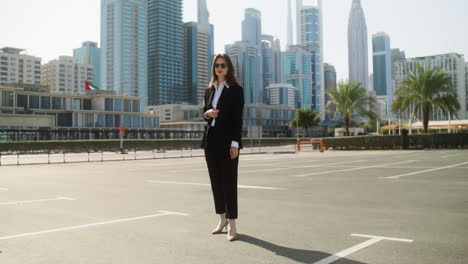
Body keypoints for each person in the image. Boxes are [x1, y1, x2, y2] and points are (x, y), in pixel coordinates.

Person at [201, 53, 244, 242]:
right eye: (217, 65)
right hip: (210, 141)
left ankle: (232, 224)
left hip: (228, 143)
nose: (219, 68)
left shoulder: (236, 90)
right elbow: (204, 113)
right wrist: (208, 113)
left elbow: (237, 119)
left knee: (229, 183)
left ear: (229, 68)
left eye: (223, 65)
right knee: (216, 183)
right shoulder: (209, 89)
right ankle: (221, 220)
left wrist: (235, 143)